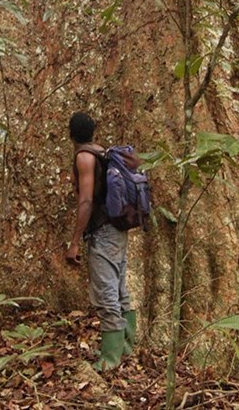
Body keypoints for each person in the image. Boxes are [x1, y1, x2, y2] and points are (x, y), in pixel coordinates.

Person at [65, 111, 136, 371]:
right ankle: (126, 348)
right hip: (117, 229)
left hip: (103, 232)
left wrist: (74, 241)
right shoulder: (102, 152)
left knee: (107, 292)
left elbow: (86, 201)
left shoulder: (84, 157)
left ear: (70, 134)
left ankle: (110, 358)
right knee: (119, 289)